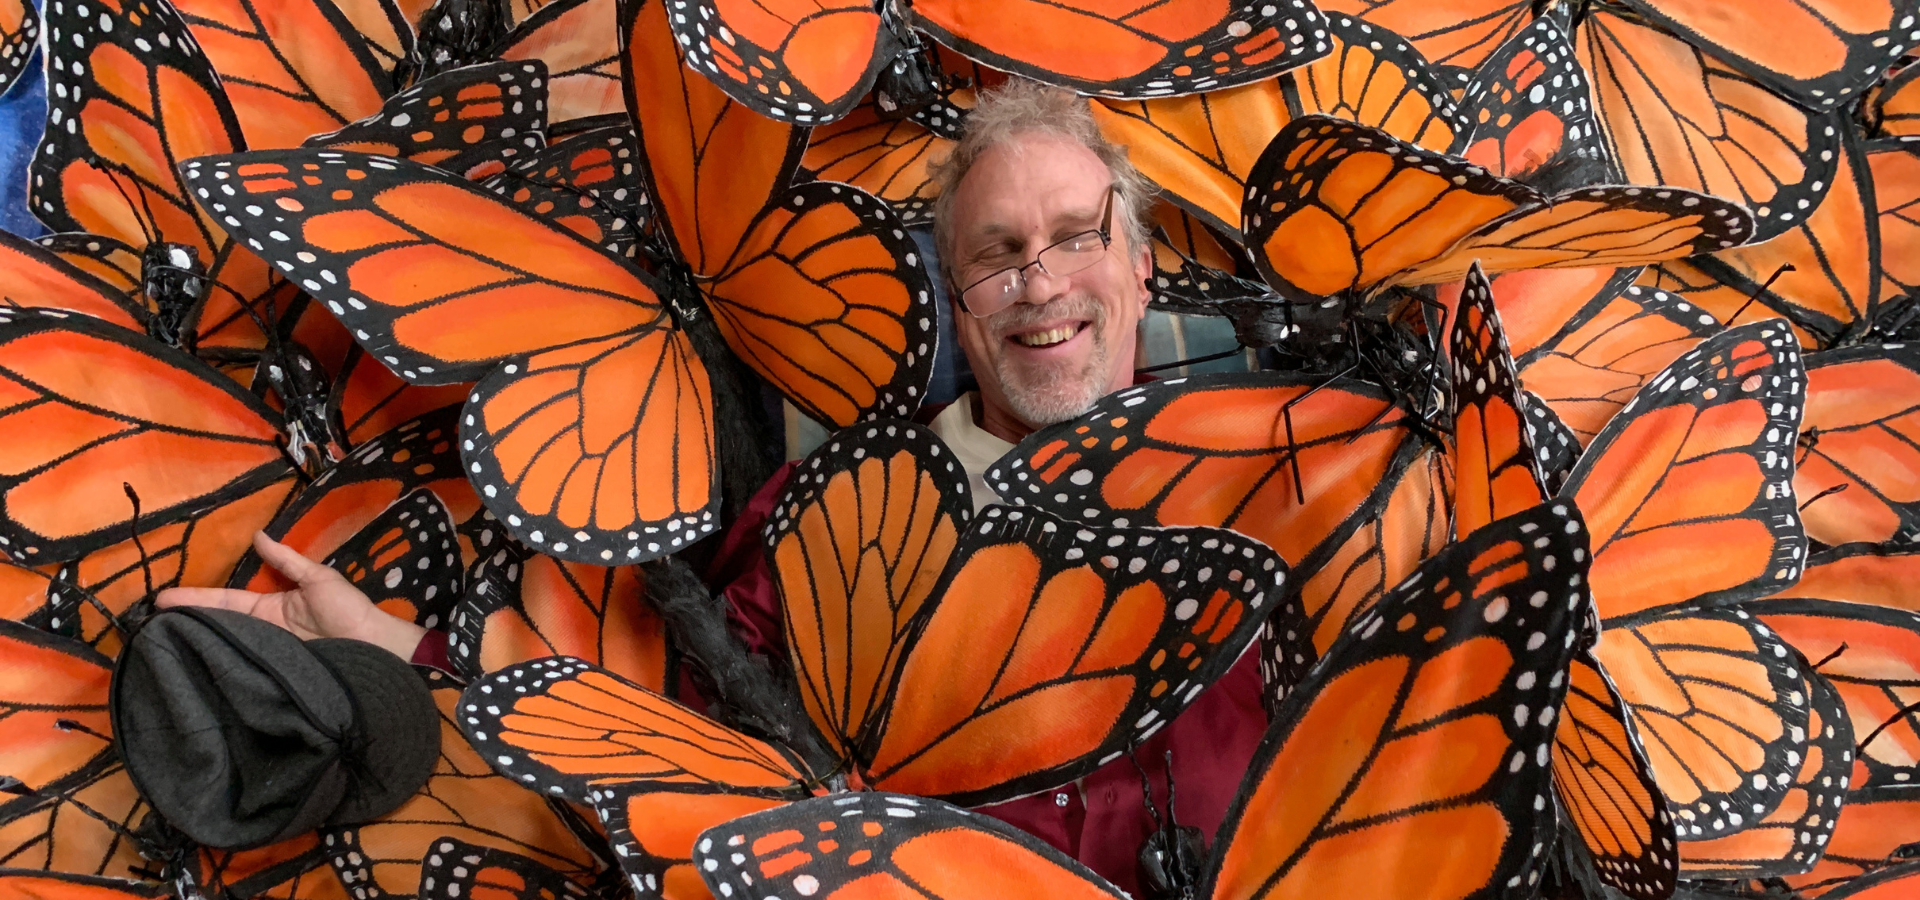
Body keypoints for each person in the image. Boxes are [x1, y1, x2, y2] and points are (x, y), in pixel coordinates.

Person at [161, 79, 1269, 896]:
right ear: (958, 296)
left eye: (1077, 237)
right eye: (996, 252)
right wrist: (400, 657)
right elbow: (677, 737)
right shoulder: (833, 512)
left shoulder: (1292, 480)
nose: (1040, 282)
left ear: (1140, 264)